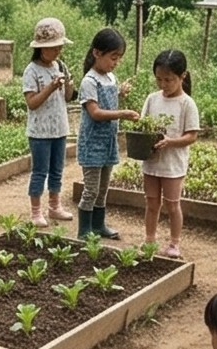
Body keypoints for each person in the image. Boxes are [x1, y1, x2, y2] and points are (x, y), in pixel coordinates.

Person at [76, 28, 139, 239]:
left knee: (103, 189)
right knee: (91, 190)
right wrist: (122, 113)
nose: (115, 63)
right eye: (113, 57)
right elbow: (94, 112)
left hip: (108, 143)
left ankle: (98, 225)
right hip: (92, 143)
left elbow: (110, 95)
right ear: (97, 53)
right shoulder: (89, 81)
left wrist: (120, 91)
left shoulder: (110, 77)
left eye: (118, 58)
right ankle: (84, 230)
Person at [138, 49, 201, 257]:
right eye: (159, 79)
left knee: (172, 205)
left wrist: (171, 141)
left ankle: (174, 243)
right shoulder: (152, 99)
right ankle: (149, 239)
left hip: (173, 164)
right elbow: (143, 125)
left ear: (182, 76)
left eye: (168, 80)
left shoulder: (187, 103)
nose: (163, 85)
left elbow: (191, 136)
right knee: (151, 202)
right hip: (151, 160)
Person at [23, 17, 76, 227]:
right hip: (40, 132)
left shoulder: (60, 65)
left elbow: (68, 97)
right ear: (40, 49)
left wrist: (69, 84)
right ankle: (36, 211)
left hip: (59, 128)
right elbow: (32, 103)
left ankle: (55, 206)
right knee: (39, 172)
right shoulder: (32, 71)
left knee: (57, 170)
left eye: (58, 47)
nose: (57, 52)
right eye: (52, 48)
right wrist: (51, 87)